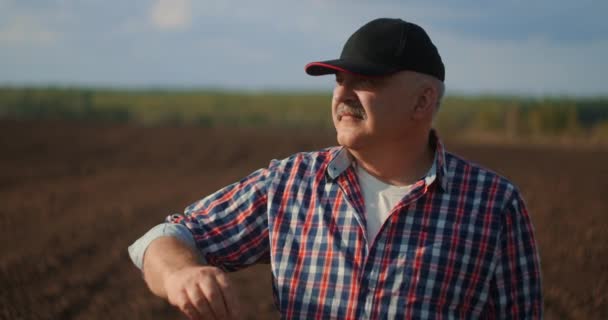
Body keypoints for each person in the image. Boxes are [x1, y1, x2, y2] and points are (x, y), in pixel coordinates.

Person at [128, 18, 543, 319]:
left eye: (366, 81)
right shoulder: (291, 184)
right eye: (337, 80)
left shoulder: (493, 205)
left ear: (423, 101)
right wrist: (182, 273)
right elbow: (163, 239)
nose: (343, 94)